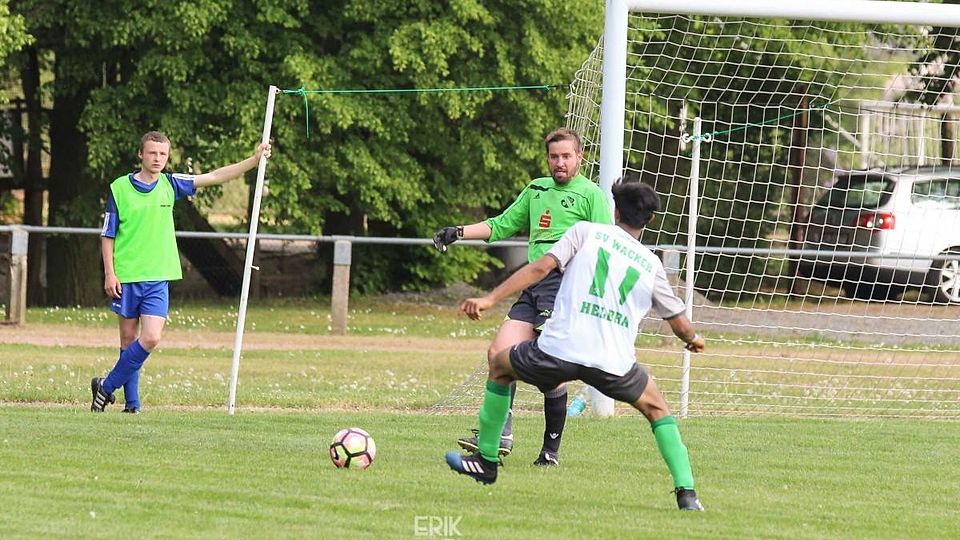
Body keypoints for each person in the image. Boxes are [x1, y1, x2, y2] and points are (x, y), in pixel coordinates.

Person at [445, 178, 707, 511]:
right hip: (612, 363)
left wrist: (489, 299)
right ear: (650, 219)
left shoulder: (585, 232)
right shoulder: (651, 264)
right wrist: (693, 339)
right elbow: (679, 323)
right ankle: (687, 494)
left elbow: (540, 267)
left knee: (499, 364)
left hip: (559, 351)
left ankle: (486, 461)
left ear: (615, 210)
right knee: (657, 409)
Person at [433, 128, 612, 466]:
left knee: (549, 369)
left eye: (566, 156)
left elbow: (606, 249)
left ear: (580, 157)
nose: (559, 163)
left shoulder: (591, 195)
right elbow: (501, 224)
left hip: (564, 286)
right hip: (533, 286)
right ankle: (501, 434)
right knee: (498, 354)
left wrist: (598, 298)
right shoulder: (536, 189)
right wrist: (458, 232)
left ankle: (550, 451)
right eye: (554, 157)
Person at [91, 131, 271, 413]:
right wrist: (110, 273)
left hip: (158, 277)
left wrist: (254, 160)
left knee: (151, 338)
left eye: (162, 154)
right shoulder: (119, 188)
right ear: (140, 154)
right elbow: (108, 234)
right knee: (128, 341)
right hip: (126, 276)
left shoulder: (171, 183)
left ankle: (105, 386)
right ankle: (132, 405)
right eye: (152, 153)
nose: (157, 158)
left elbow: (215, 176)